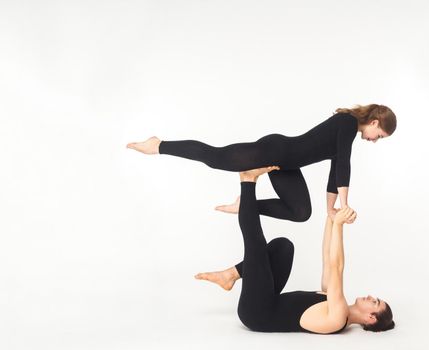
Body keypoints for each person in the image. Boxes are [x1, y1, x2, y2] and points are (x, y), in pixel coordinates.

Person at [195, 166, 395, 333]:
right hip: (267, 301)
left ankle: (247, 181)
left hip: (256, 313)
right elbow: (327, 258)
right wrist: (331, 218)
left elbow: (337, 267)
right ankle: (231, 274)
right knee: (283, 247)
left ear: (370, 318)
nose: (370, 297)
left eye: (375, 302)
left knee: (255, 246)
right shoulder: (332, 300)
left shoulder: (337, 317)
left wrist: (340, 226)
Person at [127, 104, 397, 223]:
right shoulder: (348, 123)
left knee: (301, 213)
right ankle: (159, 145)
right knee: (217, 158)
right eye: (379, 136)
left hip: (287, 165)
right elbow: (344, 166)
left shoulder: (346, 133)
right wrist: (346, 204)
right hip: (275, 149)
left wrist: (331, 208)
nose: (375, 140)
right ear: (374, 123)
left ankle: (246, 205)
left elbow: (334, 169)